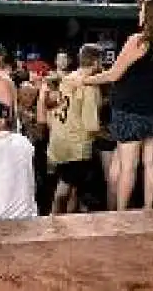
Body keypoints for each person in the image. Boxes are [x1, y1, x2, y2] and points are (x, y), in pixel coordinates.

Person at [79, 0, 153, 210]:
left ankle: (122, 213)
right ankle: (147, 210)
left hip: (132, 110)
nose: (139, 14)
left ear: (149, 15)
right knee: (152, 162)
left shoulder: (139, 41)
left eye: (142, 10)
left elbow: (114, 74)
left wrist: (85, 80)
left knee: (128, 166)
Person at [37, 44, 103, 215]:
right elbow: (91, 125)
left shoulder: (67, 78)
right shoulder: (89, 86)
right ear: (96, 62)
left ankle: (64, 224)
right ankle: (54, 222)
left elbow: (52, 108)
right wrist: (104, 131)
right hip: (76, 146)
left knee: (70, 188)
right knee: (64, 191)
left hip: (58, 142)